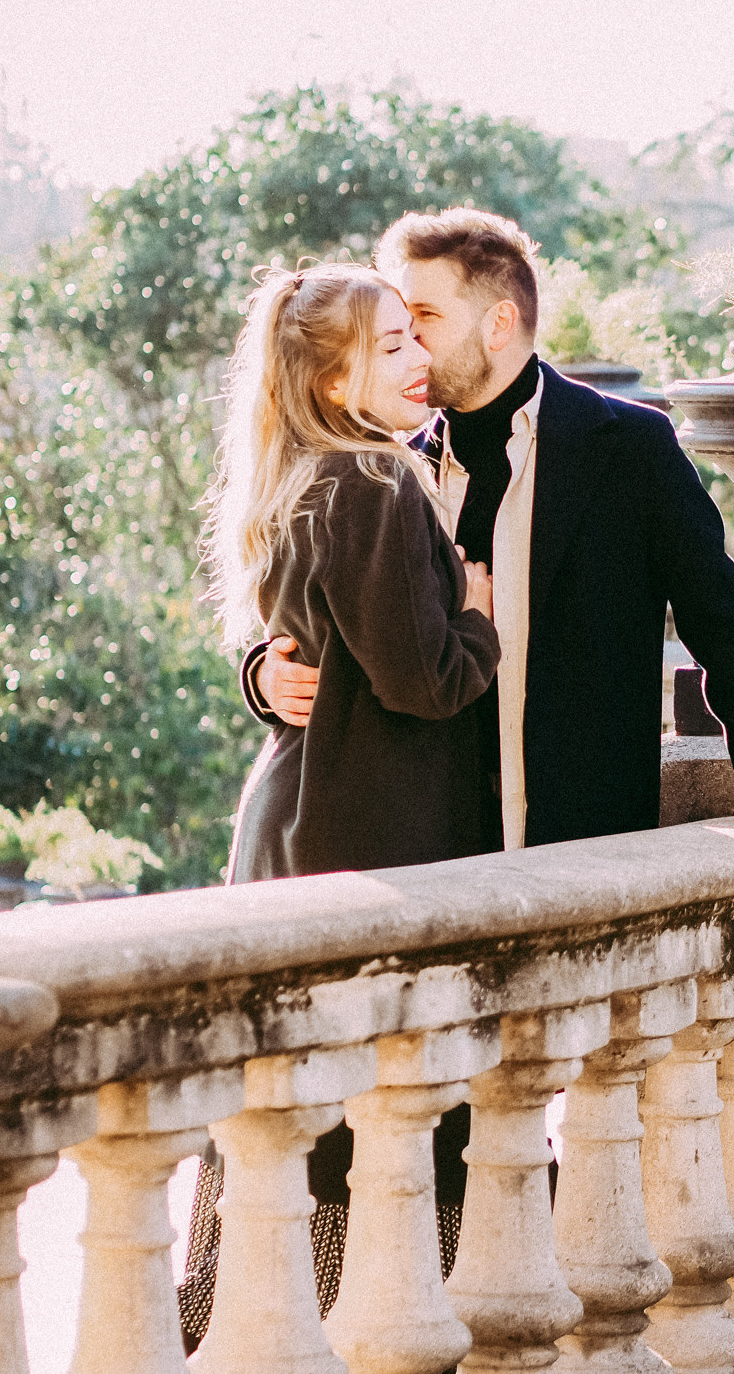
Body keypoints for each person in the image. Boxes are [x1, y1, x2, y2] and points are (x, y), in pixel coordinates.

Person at [243, 208, 734, 868]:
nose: (411, 342)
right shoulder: (389, 468)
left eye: (423, 316)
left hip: (577, 851)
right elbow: (337, 623)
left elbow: (722, 626)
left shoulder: (630, 449)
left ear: (498, 324)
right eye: (398, 325)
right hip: (427, 856)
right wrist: (266, 676)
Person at [177, 263, 502, 1348]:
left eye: (419, 335)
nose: (421, 360)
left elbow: (307, 649)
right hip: (366, 826)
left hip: (293, 819)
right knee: (370, 1106)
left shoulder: (302, 478)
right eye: (392, 345)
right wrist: (477, 618)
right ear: (329, 380)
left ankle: (259, 1327)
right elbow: (422, 682)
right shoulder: (371, 483)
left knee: (291, 1098)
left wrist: (261, 676)